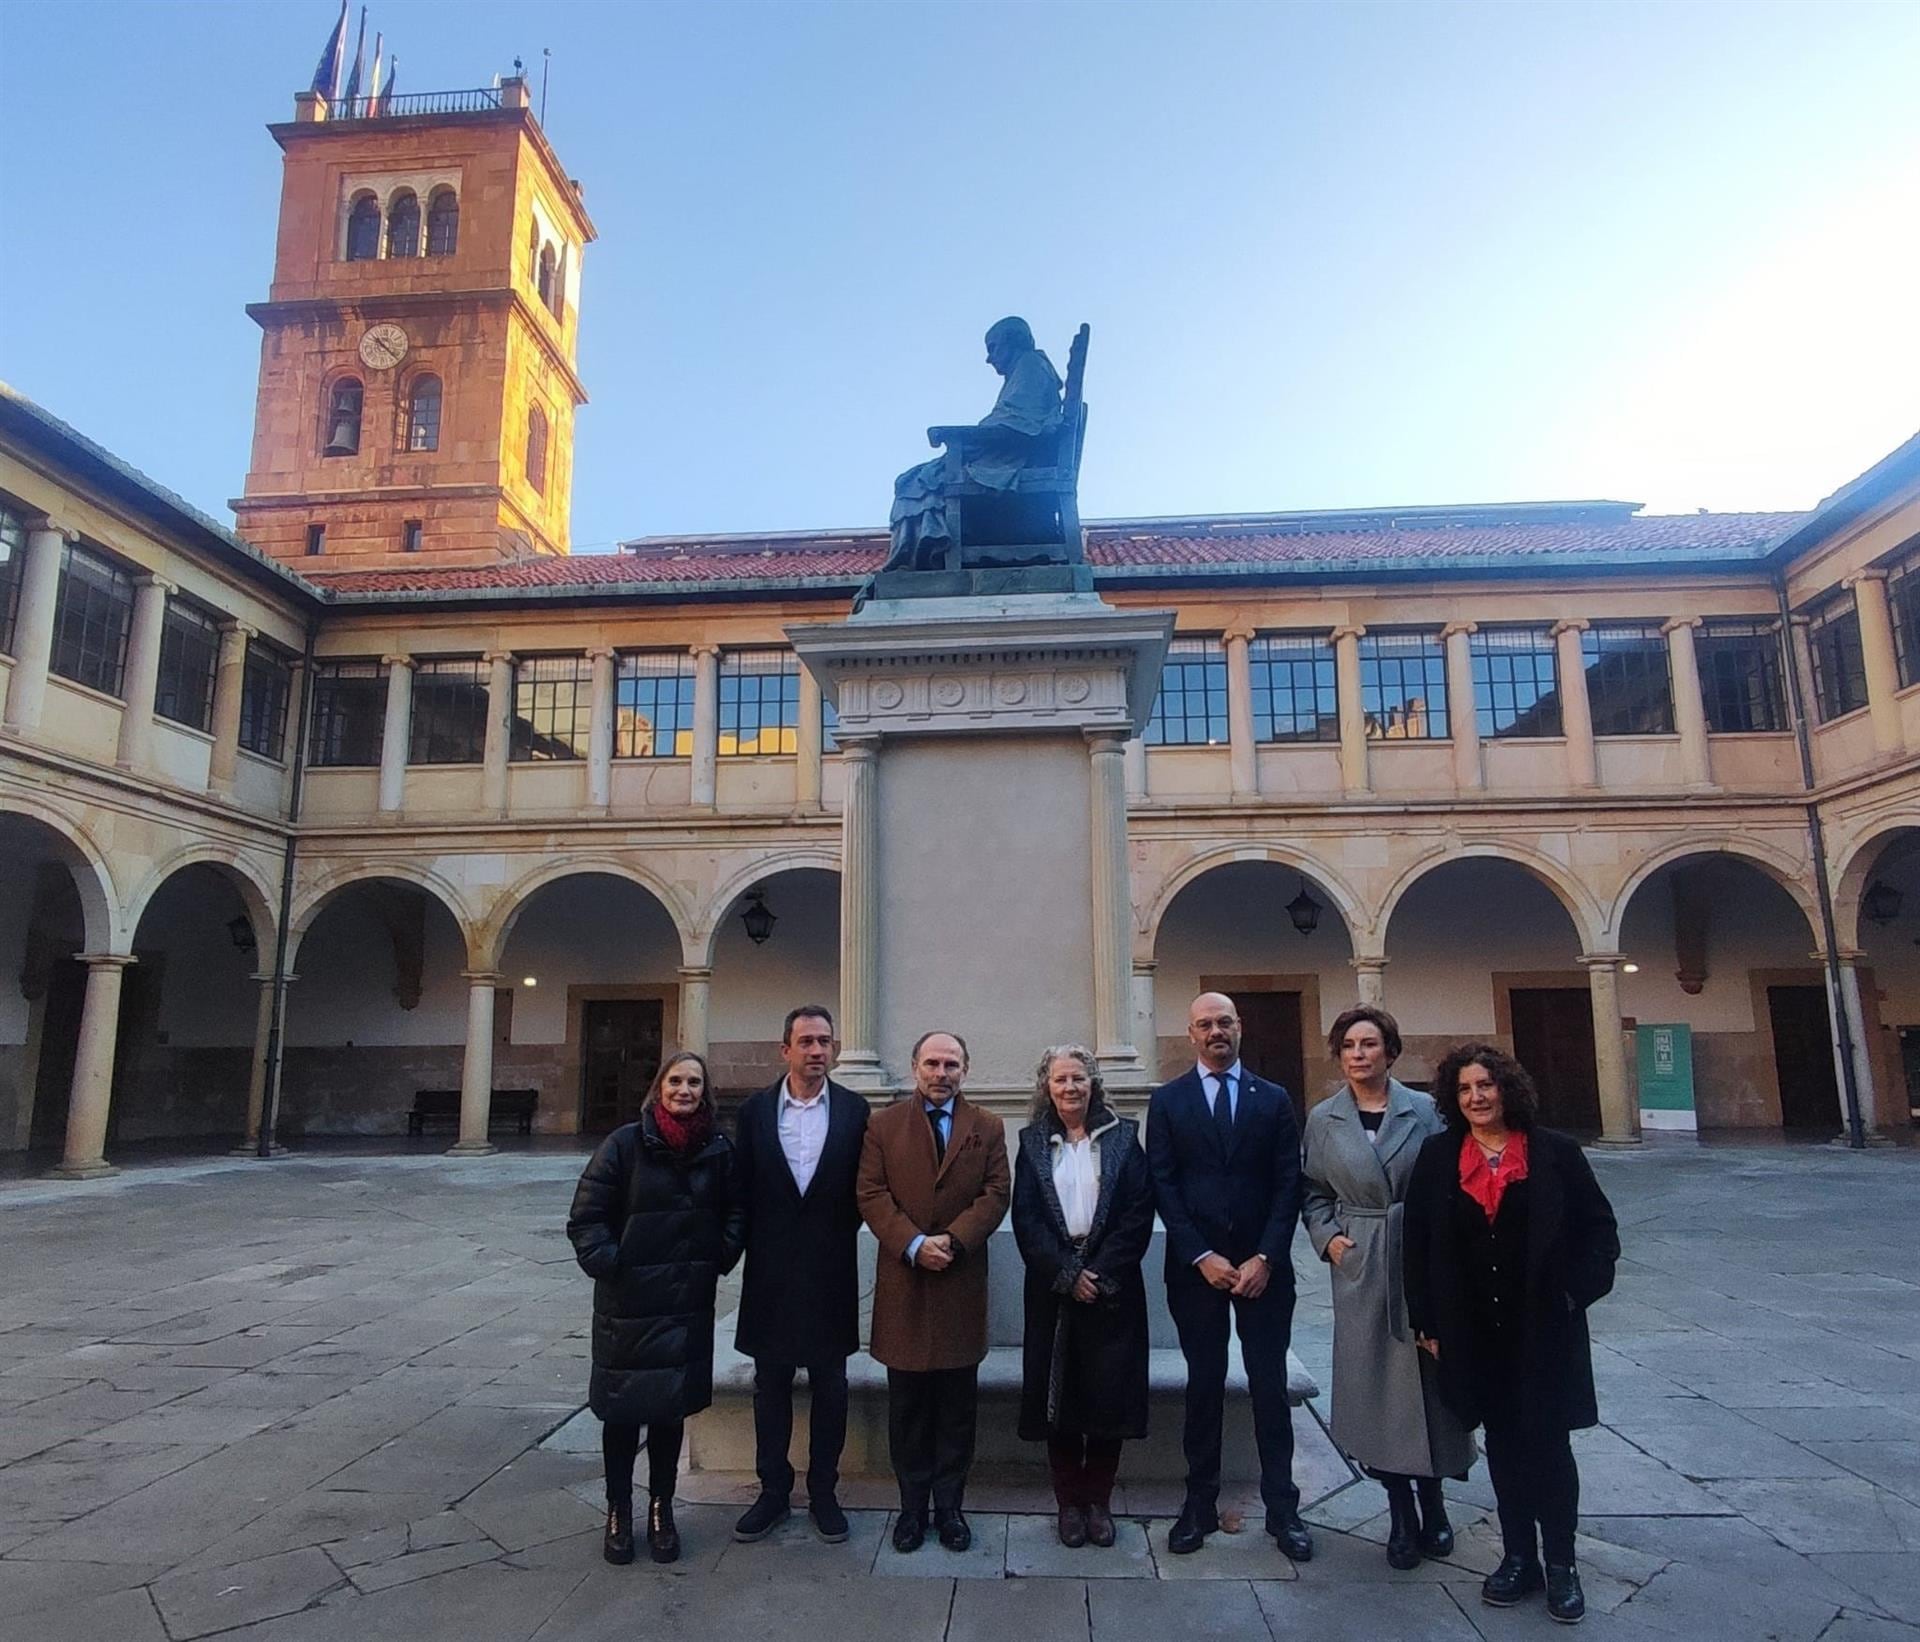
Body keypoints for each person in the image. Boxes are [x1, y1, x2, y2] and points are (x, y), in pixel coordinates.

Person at [1404, 1043, 1621, 1626]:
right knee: (1502, 1444)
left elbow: (1600, 1234)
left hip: (1542, 1328)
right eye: (1466, 1090)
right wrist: (1427, 1321)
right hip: (1475, 1330)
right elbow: (1418, 1246)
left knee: (1549, 1446)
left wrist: (1573, 1296)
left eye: (1486, 1086)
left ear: (1507, 1089)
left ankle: (1562, 1564)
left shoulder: (1555, 1153)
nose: (1476, 1098)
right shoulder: (1439, 1155)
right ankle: (1518, 1555)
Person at [1301, 1005, 1475, 1570]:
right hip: (1363, 1261)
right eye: (1349, 1044)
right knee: (1375, 1388)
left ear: (1391, 1052)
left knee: (1430, 1387)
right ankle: (1400, 1513)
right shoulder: (1323, 1119)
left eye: (1369, 1044)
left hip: (1421, 1257)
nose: (1358, 1053)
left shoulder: (1426, 1112)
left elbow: (1455, 1182)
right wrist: (1330, 1240)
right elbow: (1312, 1191)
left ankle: (1436, 1504)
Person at [1146, 991, 1313, 1562]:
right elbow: (1163, 1185)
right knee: (1204, 1385)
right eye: (1204, 1024)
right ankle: (1198, 1504)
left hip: (1264, 1273)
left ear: (1239, 1028)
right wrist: (1201, 1255)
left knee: (1269, 1388)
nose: (1215, 1032)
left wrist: (1265, 1257)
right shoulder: (1168, 1101)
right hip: (1197, 1273)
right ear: (1190, 1034)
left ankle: (1283, 1507)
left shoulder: (1273, 1098)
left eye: (1224, 1022)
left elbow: (1289, 1182)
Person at [566, 1049, 743, 1566]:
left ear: (704, 1092)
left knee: (669, 1413)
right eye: (675, 1081)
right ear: (658, 1088)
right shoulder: (624, 1144)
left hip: (686, 1300)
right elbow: (587, 1217)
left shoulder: (717, 1148)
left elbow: (737, 1211)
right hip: (630, 1303)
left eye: (694, 1083)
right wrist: (611, 1263)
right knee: (621, 1414)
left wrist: (716, 1257)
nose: (684, 1090)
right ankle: (619, 1509)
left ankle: (662, 1508)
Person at [856, 1030, 1010, 1553]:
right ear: (915, 1066)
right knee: (909, 1409)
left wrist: (956, 1239)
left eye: (951, 1064)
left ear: (965, 1069)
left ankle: (950, 1508)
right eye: (931, 1063)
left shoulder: (986, 1127)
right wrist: (913, 1243)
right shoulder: (883, 1125)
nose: (940, 1074)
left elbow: (996, 1192)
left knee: (956, 1408)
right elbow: (871, 1192)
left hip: (960, 1284)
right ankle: (911, 1508)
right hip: (906, 1282)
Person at [729, 1004, 870, 1544]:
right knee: (771, 1385)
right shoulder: (756, 1112)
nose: (817, 1051)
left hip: (831, 1269)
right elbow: (741, 1188)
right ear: (784, 1049)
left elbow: (864, 1188)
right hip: (770, 1271)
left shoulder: (857, 1112)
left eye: (825, 1042)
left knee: (832, 1385)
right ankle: (772, 1491)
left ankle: (825, 1491)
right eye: (807, 1041)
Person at [1012, 1044, 1154, 1548]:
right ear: (1046, 1087)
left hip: (1111, 1290)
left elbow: (1137, 1214)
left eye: (1079, 1078)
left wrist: (1098, 1272)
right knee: (1060, 1401)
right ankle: (1068, 1504)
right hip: (1054, 1292)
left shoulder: (1123, 1140)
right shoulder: (1032, 1144)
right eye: (1059, 1079)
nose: (1070, 1088)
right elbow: (1026, 1219)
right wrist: (1067, 1273)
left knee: (1107, 1399)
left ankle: (1099, 1502)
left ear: (1094, 1083)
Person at [884, 317, 1064, 572]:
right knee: (914, 478)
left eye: (993, 347)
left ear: (1015, 342)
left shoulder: (1031, 365)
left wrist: (960, 437)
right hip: (1003, 456)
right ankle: (924, 558)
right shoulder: (1025, 371)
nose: (989, 358)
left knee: (915, 482)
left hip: (1010, 461)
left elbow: (1019, 427)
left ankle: (923, 560)